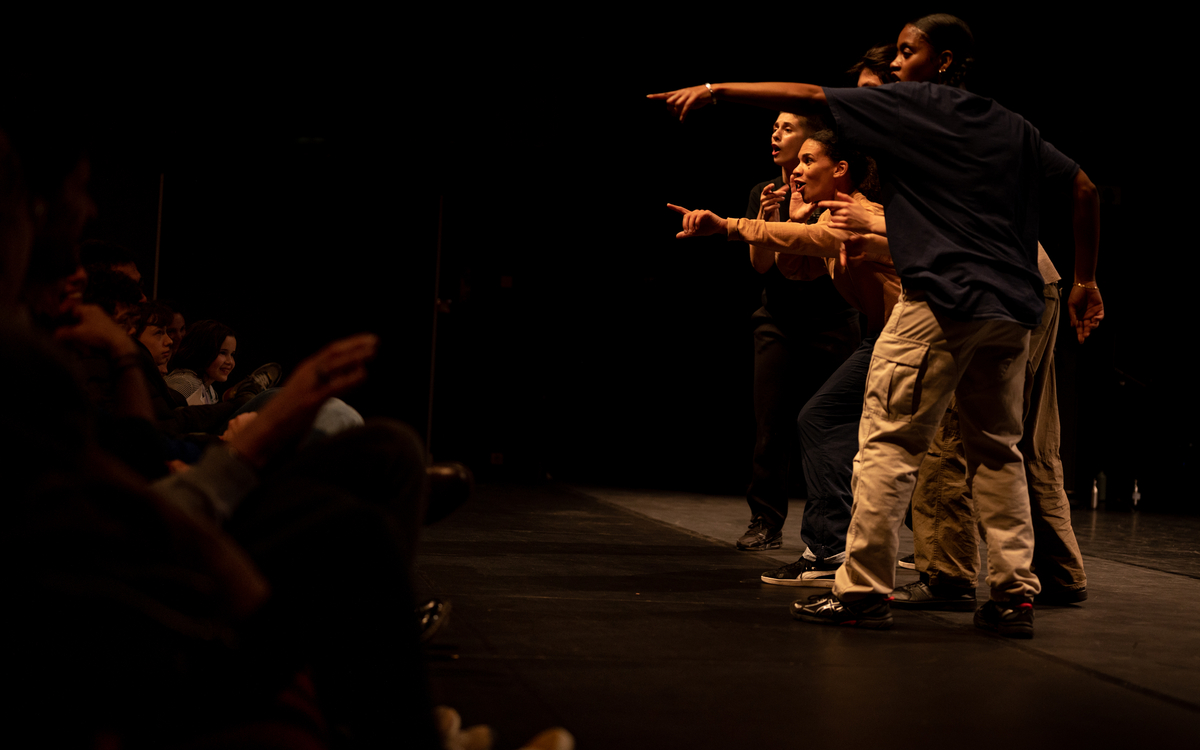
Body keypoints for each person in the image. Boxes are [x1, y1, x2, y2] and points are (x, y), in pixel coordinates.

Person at [649, 12, 1102, 638]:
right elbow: (1083, 187)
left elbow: (808, 98)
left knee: (885, 445)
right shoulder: (1011, 124)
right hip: (1012, 305)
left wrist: (716, 91)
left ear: (941, 61)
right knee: (997, 452)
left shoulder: (915, 107)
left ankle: (862, 591)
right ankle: (1011, 594)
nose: (894, 63)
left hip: (945, 299)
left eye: (907, 51)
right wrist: (1084, 279)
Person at [671, 128, 897, 584]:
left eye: (807, 160)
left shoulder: (859, 215)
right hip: (885, 338)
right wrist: (768, 223)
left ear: (840, 170)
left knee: (838, 424)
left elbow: (813, 243)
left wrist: (730, 225)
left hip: (910, 336)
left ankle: (848, 551)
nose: (795, 169)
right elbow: (795, 263)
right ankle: (834, 549)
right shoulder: (829, 218)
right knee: (827, 421)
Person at [737, 111, 861, 552]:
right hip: (779, 322)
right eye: (773, 127)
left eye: (787, 128)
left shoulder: (838, 196)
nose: (775, 134)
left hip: (834, 320)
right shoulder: (764, 192)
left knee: (833, 426)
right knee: (771, 426)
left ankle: (837, 529)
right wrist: (767, 225)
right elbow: (761, 266)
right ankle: (765, 521)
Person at [166, 318, 237, 405]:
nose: (230, 362)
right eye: (222, 353)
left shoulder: (209, 390)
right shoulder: (187, 383)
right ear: (203, 351)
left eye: (232, 354)